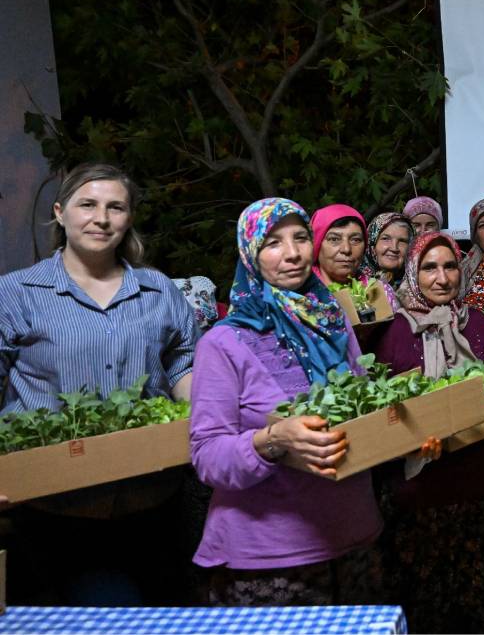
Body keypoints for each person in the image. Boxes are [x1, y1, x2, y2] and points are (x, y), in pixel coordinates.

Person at [0, 162, 197, 605]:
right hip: (55, 506)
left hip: (154, 498)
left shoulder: (158, 290)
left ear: (129, 218)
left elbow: (183, 367)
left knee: (165, 619)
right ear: (60, 212)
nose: (101, 218)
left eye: (116, 207)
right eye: (87, 205)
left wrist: (203, 426)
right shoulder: (15, 293)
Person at [189, 198, 385, 606]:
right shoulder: (223, 343)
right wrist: (273, 440)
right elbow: (208, 457)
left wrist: (408, 438)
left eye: (300, 238)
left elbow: (363, 413)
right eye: (273, 243)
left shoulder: (332, 321)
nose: (293, 253)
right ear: (250, 253)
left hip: (355, 537)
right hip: (271, 557)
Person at [370, 230, 484, 632]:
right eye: (429, 268)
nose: (442, 278)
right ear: (413, 273)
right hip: (422, 490)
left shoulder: (478, 323)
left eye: (450, 266)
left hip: (482, 479)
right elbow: (381, 414)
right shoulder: (394, 333)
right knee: (431, 606)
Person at [310, 204, 398, 311]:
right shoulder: (302, 294)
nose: (346, 249)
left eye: (355, 240)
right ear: (317, 244)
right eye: (334, 239)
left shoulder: (380, 292)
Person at [362, 212, 413, 293]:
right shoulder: (354, 283)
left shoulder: (417, 286)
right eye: (386, 239)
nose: (394, 248)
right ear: (372, 244)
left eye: (402, 241)